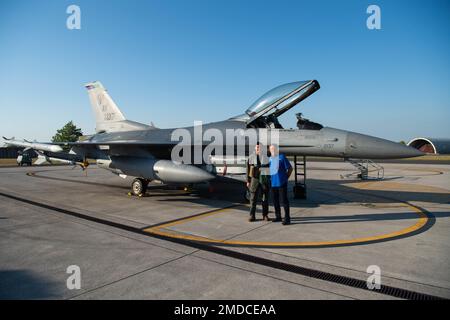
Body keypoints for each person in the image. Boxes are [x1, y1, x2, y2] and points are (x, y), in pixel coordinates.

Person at [269, 144, 293, 225]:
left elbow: (290, 168)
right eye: (271, 149)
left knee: (284, 201)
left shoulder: (282, 157)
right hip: (273, 184)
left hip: (281, 183)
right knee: (275, 201)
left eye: (274, 149)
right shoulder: (270, 159)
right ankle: (278, 216)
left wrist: (286, 177)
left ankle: (287, 218)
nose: (273, 151)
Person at [246, 142, 271, 222]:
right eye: (257, 147)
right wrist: (248, 181)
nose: (258, 149)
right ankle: (252, 215)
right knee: (253, 199)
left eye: (259, 147)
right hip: (254, 180)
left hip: (264, 180)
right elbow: (248, 170)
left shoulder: (266, 157)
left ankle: (265, 215)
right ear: (254, 148)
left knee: (264, 198)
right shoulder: (251, 157)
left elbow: (269, 169)